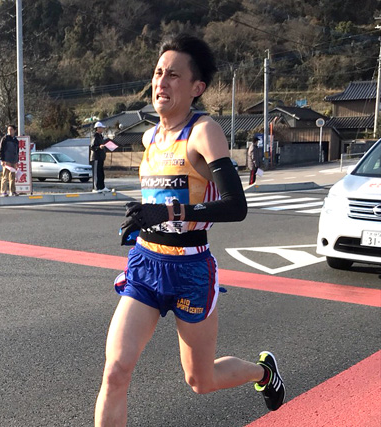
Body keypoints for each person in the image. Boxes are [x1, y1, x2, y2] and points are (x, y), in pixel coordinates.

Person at [95, 34, 285, 426]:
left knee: (201, 380)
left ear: (197, 88)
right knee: (115, 372)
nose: (161, 83)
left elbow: (237, 205)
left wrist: (168, 210)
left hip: (191, 270)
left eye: (174, 76)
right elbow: (160, 196)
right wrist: (143, 217)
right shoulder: (149, 136)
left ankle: (263, 373)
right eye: (158, 73)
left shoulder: (203, 132)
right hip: (146, 263)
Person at [0, 124, 19, 196]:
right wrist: (2, 160)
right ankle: (3, 191)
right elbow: (1, 150)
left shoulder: (16, 140)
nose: (10, 131)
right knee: (5, 176)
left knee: (12, 176)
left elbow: (17, 151)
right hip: (6, 160)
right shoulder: (5, 139)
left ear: (14, 130)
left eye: (11, 130)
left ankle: (12, 191)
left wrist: (17, 161)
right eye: (8, 130)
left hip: (13, 160)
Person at [90, 122, 109, 192]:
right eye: (101, 128)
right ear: (97, 128)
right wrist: (99, 147)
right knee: (96, 173)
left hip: (101, 158)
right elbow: (92, 147)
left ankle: (102, 187)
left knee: (101, 173)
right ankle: (95, 188)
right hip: (95, 158)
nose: (102, 129)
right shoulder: (94, 136)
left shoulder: (101, 136)